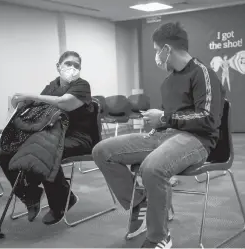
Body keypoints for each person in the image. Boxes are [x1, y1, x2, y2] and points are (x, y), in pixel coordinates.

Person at [92, 22, 226, 248]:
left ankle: (159, 236)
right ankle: (139, 203)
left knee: (152, 168)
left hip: (197, 140)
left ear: (166, 49)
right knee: (102, 151)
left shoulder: (203, 73)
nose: (156, 56)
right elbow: (169, 117)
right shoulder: (168, 81)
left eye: (156, 50)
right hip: (166, 136)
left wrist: (164, 118)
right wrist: (158, 125)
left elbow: (208, 118)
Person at [0, 51, 94, 225]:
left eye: (77, 65)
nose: (72, 68)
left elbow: (65, 103)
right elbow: (40, 109)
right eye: (68, 64)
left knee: (44, 150)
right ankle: (30, 195)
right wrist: (21, 104)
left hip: (78, 137)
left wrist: (30, 96)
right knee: (5, 153)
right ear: (58, 66)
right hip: (51, 133)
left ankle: (61, 202)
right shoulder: (51, 87)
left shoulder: (82, 85)